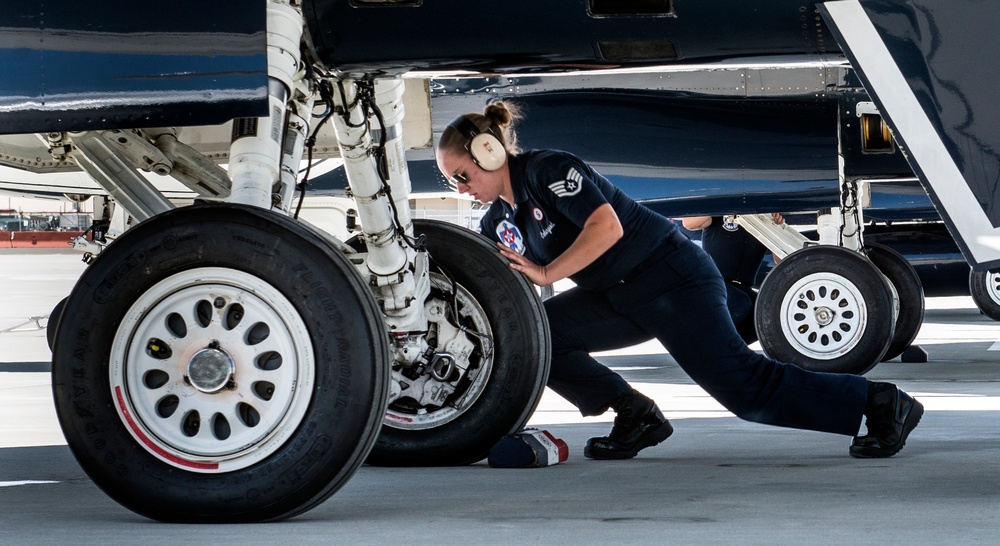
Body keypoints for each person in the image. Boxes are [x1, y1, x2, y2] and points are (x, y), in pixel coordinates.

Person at [435, 101, 922, 460]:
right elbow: (508, 281)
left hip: (671, 279)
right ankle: (634, 413)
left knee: (745, 391)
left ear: (488, 152)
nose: (460, 188)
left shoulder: (548, 170)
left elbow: (606, 227)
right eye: (451, 182)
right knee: (537, 337)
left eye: (460, 175)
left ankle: (879, 402)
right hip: (616, 295)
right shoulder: (497, 221)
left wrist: (545, 273)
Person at [681, 214, 783, 343]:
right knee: (740, 303)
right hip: (713, 283)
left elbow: (780, 260)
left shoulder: (763, 219)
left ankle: (728, 352)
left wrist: (777, 229)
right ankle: (702, 345)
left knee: (768, 315)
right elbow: (688, 223)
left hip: (743, 287)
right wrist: (721, 201)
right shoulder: (722, 210)